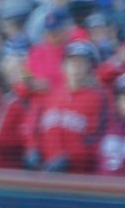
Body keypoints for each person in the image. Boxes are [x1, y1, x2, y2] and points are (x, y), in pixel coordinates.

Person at [26, 42, 112, 172]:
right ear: (63, 66)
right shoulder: (51, 95)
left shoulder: (100, 98)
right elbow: (35, 128)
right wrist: (33, 148)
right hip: (46, 172)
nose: (75, 67)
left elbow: (101, 139)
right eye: (71, 62)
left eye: (81, 63)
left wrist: (71, 158)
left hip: (80, 177)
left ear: (91, 68)